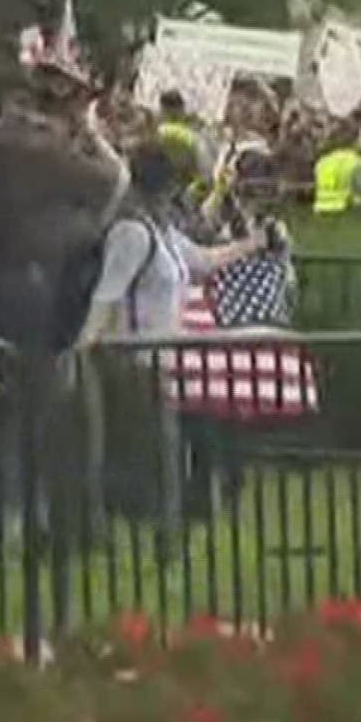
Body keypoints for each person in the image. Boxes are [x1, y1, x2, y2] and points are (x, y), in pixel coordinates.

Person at [0, 61, 128, 548]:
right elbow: (117, 183)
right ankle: (51, 525)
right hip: (43, 299)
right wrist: (93, 130)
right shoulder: (57, 159)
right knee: (47, 418)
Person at [76, 139, 267, 539]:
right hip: (132, 362)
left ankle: (160, 536)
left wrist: (255, 245)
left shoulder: (163, 233)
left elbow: (203, 260)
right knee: (149, 457)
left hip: (160, 363)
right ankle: (150, 537)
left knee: (162, 457)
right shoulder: (131, 233)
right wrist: (86, 350)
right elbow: (107, 296)